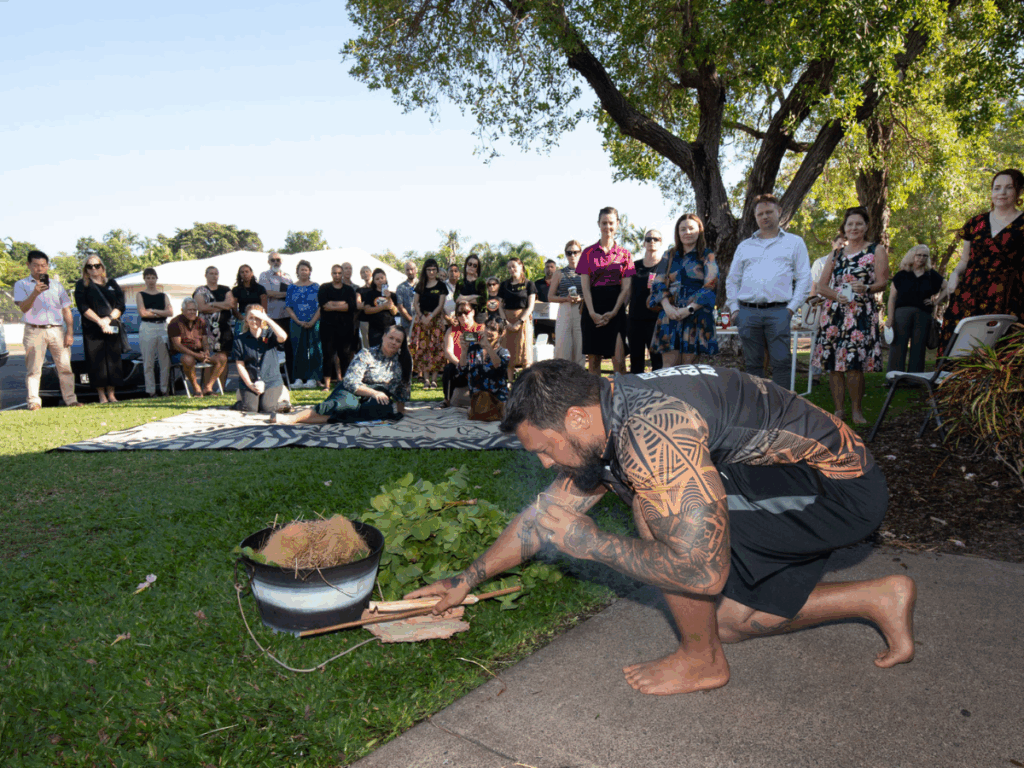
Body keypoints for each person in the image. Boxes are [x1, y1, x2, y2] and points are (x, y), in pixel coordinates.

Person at [406, 359, 917, 695]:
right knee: (727, 622)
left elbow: (700, 573)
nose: (543, 464)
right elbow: (545, 516)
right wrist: (466, 580)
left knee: (658, 517)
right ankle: (879, 597)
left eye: (544, 449)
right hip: (776, 477)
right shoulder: (604, 413)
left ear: (577, 420)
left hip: (837, 491)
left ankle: (701, 664)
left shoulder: (653, 435)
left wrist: (590, 543)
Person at [725, 193, 812, 390]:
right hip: (747, 312)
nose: (764, 217)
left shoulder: (794, 243)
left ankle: (782, 408)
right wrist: (734, 309)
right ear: (755, 217)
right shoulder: (744, 246)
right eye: (760, 214)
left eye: (769, 212)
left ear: (779, 212)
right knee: (753, 364)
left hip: (779, 312)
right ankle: (758, 407)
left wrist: (790, 309)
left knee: (781, 362)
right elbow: (732, 280)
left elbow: (805, 278)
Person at [813, 206, 890, 424]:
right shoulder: (835, 254)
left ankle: (857, 410)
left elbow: (882, 282)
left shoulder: (876, 250)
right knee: (833, 364)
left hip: (860, 313)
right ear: (844, 229)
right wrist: (837, 297)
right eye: (850, 224)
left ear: (866, 227)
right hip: (834, 314)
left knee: (855, 363)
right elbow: (821, 286)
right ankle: (839, 411)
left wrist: (866, 288)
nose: (854, 228)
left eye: (858, 224)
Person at [937, 168, 1024, 351]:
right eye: (997, 187)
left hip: (1008, 297)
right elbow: (964, 261)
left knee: (1002, 355)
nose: (1001, 193)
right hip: (970, 294)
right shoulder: (975, 223)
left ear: (1019, 192)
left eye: (1009, 188)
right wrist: (954, 274)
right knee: (959, 351)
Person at [277, 326, 409, 425]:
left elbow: (402, 386)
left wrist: (401, 410)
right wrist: (373, 393)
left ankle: (336, 417)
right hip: (355, 390)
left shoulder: (402, 360)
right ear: (383, 336)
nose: (393, 342)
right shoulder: (367, 354)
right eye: (391, 338)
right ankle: (293, 418)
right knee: (343, 405)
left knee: (381, 411)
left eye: (398, 341)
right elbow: (351, 381)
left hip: (379, 397)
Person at [649, 215, 719, 368]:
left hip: (695, 316)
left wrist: (688, 309)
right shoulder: (669, 255)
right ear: (678, 233)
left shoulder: (707, 255)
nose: (687, 232)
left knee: (689, 371)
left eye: (691, 228)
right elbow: (658, 282)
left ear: (699, 231)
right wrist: (667, 307)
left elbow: (710, 286)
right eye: (683, 229)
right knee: (668, 369)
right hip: (670, 315)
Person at [14, 250, 80, 409]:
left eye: (43, 265)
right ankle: (34, 402)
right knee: (34, 369)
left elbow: (66, 310)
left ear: (48, 266)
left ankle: (71, 400)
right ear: (28, 265)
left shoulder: (57, 285)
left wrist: (70, 332)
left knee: (65, 367)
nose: (40, 269)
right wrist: (35, 293)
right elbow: (23, 308)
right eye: (36, 265)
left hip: (57, 330)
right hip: (34, 330)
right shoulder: (21, 284)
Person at [577, 206, 634, 375]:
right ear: (598, 224)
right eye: (604, 223)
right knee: (594, 362)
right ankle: (596, 399)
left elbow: (626, 288)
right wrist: (593, 313)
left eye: (611, 223)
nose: (607, 227)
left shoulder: (625, 255)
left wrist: (615, 312)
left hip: (616, 309)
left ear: (617, 225)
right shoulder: (587, 253)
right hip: (592, 308)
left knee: (619, 361)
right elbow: (585, 287)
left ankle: (621, 399)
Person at [74, 255, 126, 404]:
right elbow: (83, 307)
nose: (94, 269)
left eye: (97, 265)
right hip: (92, 328)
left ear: (102, 267)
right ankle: (101, 395)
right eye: (90, 266)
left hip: (111, 325)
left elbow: (120, 305)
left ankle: (112, 394)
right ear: (86, 269)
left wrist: (108, 319)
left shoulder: (112, 283)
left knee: (113, 360)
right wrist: (99, 322)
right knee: (96, 361)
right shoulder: (82, 285)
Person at [885, 245, 946, 374]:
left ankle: (915, 378)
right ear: (912, 256)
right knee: (898, 346)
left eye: (925, 256)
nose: (921, 258)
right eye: (919, 255)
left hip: (923, 314)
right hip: (901, 314)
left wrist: (936, 301)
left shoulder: (932, 275)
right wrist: (890, 318)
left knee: (919, 348)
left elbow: (948, 287)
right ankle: (894, 377)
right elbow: (891, 298)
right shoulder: (901, 275)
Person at [231, 304, 288, 413]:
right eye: (251, 317)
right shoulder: (240, 339)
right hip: (251, 381)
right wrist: (250, 385)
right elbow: (240, 364)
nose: (254, 321)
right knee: (251, 409)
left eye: (257, 318)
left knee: (267, 409)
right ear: (246, 320)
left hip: (271, 381)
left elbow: (283, 337)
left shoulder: (270, 335)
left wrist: (266, 318)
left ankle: (285, 402)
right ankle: (240, 401)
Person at [193, 265, 235, 393]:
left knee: (223, 357)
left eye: (216, 273)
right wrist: (220, 305)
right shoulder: (200, 291)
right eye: (211, 273)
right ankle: (207, 388)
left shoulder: (225, 289)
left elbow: (230, 305)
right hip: (206, 331)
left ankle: (221, 389)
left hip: (224, 329)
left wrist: (211, 304)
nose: (214, 276)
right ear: (206, 275)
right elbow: (201, 308)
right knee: (209, 358)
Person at [629, 230, 666, 372]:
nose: (652, 241)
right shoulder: (634, 265)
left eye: (656, 239)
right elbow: (627, 291)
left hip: (657, 320)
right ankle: (636, 393)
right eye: (649, 239)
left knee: (658, 363)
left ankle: (658, 393)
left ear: (660, 242)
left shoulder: (665, 265)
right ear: (644, 243)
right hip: (635, 319)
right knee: (636, 363)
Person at [318, 263, 358, 391]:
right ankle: (327, 385)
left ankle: (345, 383)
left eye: (339, 273)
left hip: (345, 328)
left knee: (345, 356)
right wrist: (342, 305)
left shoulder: (349, 289)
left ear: (343, 274)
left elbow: (351, 306)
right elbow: (324, 305)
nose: (337, 275)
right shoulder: (324, 288)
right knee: (328, 355)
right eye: (335, 273)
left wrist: (333, 305)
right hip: (327, 328)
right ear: (331, 273)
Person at [410, 258, 449, 389]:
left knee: (436, 349)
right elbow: (415, 303)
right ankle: (426, 380)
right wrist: (422, 317)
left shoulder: (441, 286)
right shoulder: (420, 285)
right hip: (421, 320)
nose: (431, 272)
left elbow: (441, 304)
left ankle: (434, 380)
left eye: (434, 269)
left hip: (436, 320)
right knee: (423, 349)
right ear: (425, 271)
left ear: (437, 270)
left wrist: (431, 317)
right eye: (429, 269)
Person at [498, 256, 537, 382]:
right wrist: (506, 322)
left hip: (523, 320)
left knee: (525, 353)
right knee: (508, 352)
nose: (511, 269)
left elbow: (530, 306)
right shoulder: (504, 285)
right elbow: (499, 306)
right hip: (507, 321)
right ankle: (509, 382)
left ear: (521, 267)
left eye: (514, 266)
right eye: (509, 267)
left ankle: (525, 382)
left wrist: (520, 322)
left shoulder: (529, 284)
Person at [135, 267, 172, 397]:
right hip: (147, 328)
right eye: (148, 278)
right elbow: (143, 312)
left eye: (153, 278)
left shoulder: (163, 295)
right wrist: (159, 313)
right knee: (148, 361)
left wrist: (154, 311)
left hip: (162, 327)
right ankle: (151, 391)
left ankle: (164, 389)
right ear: (144, 279)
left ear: (157, 279)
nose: (151, 280)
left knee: (164, 361)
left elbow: (170, 312)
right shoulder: (140, 295)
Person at [284, 259, 322, 386]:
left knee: (314, 349)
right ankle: (299, 379)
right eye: (301, 270)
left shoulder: (316, 287)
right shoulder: (291, 288)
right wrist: (298, 321)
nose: (304, 272)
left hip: (314, 322)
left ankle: (313, 378)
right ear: (297, 272)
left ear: (309, 271)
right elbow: (288, 306)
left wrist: (312, 321)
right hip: (296, 323)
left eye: (306, 270)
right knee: (298, 349)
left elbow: (321, 306)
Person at [459, 317, 512, 405]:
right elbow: (462, 370)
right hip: (477, 396)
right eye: (487, 327)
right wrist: (464, 351)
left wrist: (487, 346)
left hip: (497, 397)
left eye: (493, 329)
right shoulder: (473, 348)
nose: (488, 331)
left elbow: (499, 368)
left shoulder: (503, 352)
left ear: (501, 334)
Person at [259, 252, 295, 379]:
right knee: (270, 347)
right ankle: (271, 376)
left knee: (289, 347)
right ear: (268, 262)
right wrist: (286, 294)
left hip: (287, 316)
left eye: (278, 260)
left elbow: (293, 293)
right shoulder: (264, 275)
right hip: (271, 317)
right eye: (273, 260)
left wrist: (282, 294)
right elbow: (268, 293)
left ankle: (290, 376)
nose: (276, 262)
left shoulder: (288, 276)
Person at [442, 300, 483, 407]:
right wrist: (460, 364)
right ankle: (447, 399)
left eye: (466, 312)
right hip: (459, 366)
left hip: (477, 366)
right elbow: (448, 352)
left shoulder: (482, 328)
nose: (463, 316)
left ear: (473, 312)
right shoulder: (451, 330)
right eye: (459, 313)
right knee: (448, 369)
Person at [167, 298, 213, 396]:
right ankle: (196, 388)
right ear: (182, 310)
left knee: (221, 358)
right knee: (188, 359)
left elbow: (205, 340)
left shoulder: (200, 322)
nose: (192, 312)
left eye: (194, 310)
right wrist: (196, 355)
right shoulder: (175, 323)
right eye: (189, 310)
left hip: (198, 353)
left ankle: (208, 388)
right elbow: (177, 346)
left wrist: (206, 351)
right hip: (180, 354)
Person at [550, 240, 585, 366]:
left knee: (580, 349)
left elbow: (589, 294)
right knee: (562, 348)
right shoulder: (559, 273)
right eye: (569, 253)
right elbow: (550, 296)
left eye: (575, 252)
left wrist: (580, 299)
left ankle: (579, 382)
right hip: (564, 309)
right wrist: (566, 299)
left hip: (581, 310)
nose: (572, 256)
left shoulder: (586, 272)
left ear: (580, 253)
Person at [231, 264, 267, 335]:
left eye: (247, 271)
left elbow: (264, 308)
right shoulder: (236, 290)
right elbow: (234, 309)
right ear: (239, 275)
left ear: (251, 273)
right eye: (242, 272)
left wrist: (259, 318)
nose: (245, 274)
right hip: (242, 318)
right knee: (241, 339)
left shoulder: (260, 288)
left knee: (262, 339)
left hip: (259, 317)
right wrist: (244, 318)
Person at [533, 259, 558, 344]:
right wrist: (545, 306)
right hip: (540, 321)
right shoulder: (537, 284)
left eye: (552, 267)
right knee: (541, 346)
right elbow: (533, 300)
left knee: (557, 346)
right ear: (544, 269)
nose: (549, 269)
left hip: (557, 320)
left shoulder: (560, 283)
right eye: (547, 267)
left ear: (556, 269)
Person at [459, 254, 486, 320]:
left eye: (475, 265)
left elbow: (484, 300)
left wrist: (463, 298)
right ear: (466, 265)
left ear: (477, 268)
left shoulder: (481, 282)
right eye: (470, 264)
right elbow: (457, 299)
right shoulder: (460, 282)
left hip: (479, 316)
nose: (472, 267)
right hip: (464, 316)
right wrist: (474, 297)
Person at [357, 265, 375, 351]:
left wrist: (366, 304)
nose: (365, 273)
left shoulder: (378, 287)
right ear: (360, 276)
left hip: (377, 319)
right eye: (362, 272)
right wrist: (372, 303)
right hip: (364, 320)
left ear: (371, 273)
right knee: (367, 345)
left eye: (367, 271)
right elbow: (358, 305)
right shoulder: (359, 290)